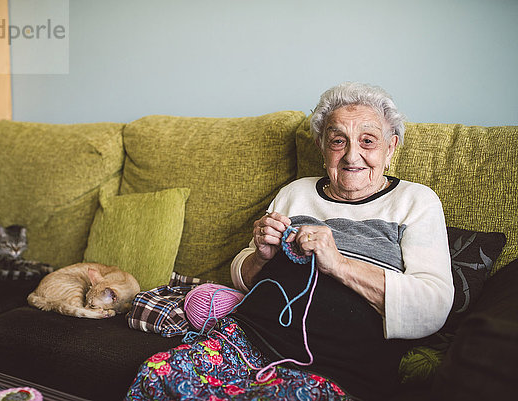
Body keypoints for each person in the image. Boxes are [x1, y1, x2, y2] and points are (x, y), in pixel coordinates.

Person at [126, 82, 453, 401]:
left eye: (368, 141)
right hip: (245, 340)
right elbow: (241, 275)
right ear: (321, 146)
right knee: (157, 376)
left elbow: (433, 306)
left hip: (336, 367)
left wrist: (338, 264)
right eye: (338, 141)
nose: (352, 155)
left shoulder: (416, 201)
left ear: (391, 146)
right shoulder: (296, 193)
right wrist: (262, 256)